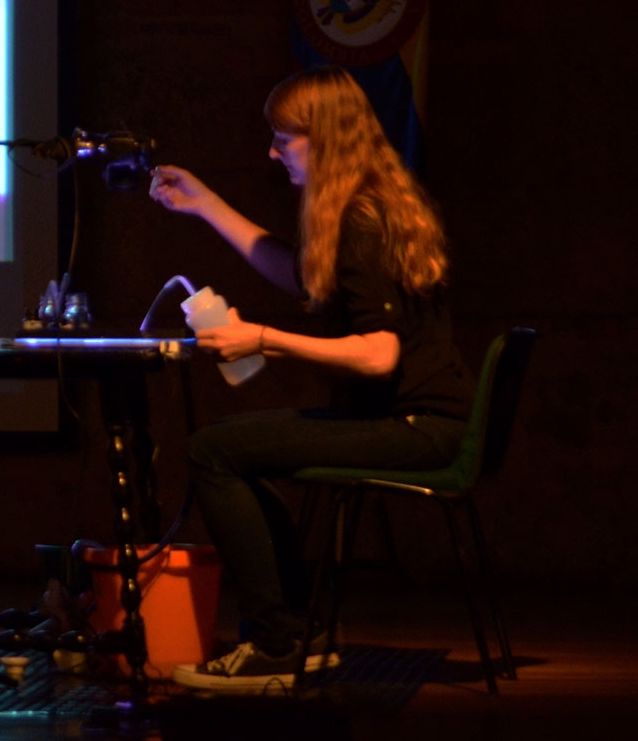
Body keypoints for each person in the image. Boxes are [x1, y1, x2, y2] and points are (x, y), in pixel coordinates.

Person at [147, 66, 472, 693]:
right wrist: (206, 204)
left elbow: (379, 355)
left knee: (214, 452)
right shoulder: (367, 204)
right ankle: (297, 632)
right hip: (409, 418)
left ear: (325, 139)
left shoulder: (363, 220)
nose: (272, 154)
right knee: (232, 451)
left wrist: (262, 338)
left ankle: (277, 643)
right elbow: (297, 273)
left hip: (415, 426)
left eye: (283, 140)